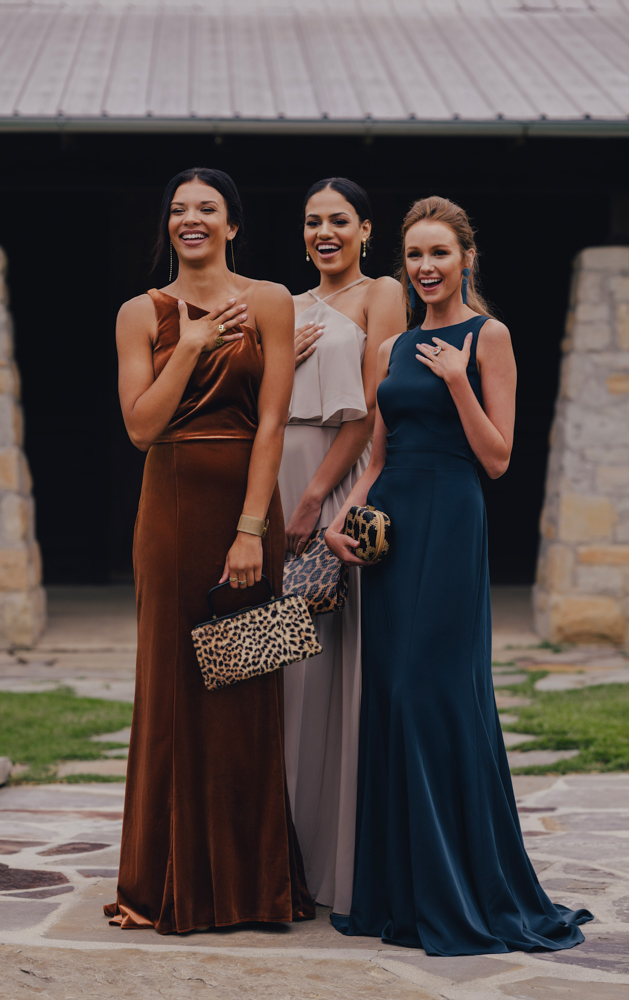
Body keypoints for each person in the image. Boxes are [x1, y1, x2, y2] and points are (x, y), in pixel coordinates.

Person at [325, 196, 593, 954]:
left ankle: (461, 887)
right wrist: (348, 517)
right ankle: (400, 894)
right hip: (391, 529)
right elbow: (376, 455)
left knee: (428, 691)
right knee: (388, 694)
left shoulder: (489, 336)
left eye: (439, 253)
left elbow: (498, 458)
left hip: (451, 517)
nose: (425, 268)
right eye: (414, 256)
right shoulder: (391, 348)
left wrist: (456, 381)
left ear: (465, 258)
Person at [105, 167, 314, 934]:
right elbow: (140, 427)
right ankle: (161, 884)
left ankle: (253, 887)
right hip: (166, 517)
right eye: (179, 209)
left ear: (232, 226)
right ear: (168, 225)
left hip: (248, 512)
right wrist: (188, 346)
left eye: (208, 209)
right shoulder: (139, 313)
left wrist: (253, 528)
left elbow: (274, 421)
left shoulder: (269, 301)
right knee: (170, 689)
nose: (190, 218)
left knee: (246, 690)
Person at [278, 178, 405, 915]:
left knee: (341, 657)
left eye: (337, 222)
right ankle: (284, 854)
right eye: (311, 223)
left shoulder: (378, 292)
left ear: (363, 229)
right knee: (288, 669)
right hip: (279, 482)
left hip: (338, 485)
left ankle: (342, 865)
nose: (323, 232)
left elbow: (371, 404)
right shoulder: (285, 307)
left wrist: (314, 496)